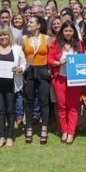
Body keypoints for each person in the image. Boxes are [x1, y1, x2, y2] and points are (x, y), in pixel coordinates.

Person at [0, 26, 26, 148]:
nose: (3, 37)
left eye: (5, 35)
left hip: (11, 84)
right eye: (1, 35)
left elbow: (24, 63)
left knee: (10, 109)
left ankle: (10, 136)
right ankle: (2, 136)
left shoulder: (17, 48)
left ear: (10, 36)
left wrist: (20, 69)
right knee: (1, 110)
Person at [47, 21, 84, 145]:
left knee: (73, 107)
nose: (68, 33)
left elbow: (83, 59)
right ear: (62, 32)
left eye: (70, 31)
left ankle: (71, 132)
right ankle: (64, 131)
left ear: (74, 32)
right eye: (66, 31)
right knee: (61, 106)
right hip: (60, 79)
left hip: (74, 80)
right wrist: (59, 63)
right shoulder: (55, 44)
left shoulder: (79, 44)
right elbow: (50, 60)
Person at [22, 15, 52, 145]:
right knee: (28, 101)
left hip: (43, 71)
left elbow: (51, 55)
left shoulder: (47, 38)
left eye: (31, 22)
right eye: (28, 22)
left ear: (39, 25)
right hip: (29, 71)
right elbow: (21, 56)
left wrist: (50, 69)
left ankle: (44, 128)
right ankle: (29, 127)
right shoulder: (24, 38)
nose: (28, 23)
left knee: (44, 101)